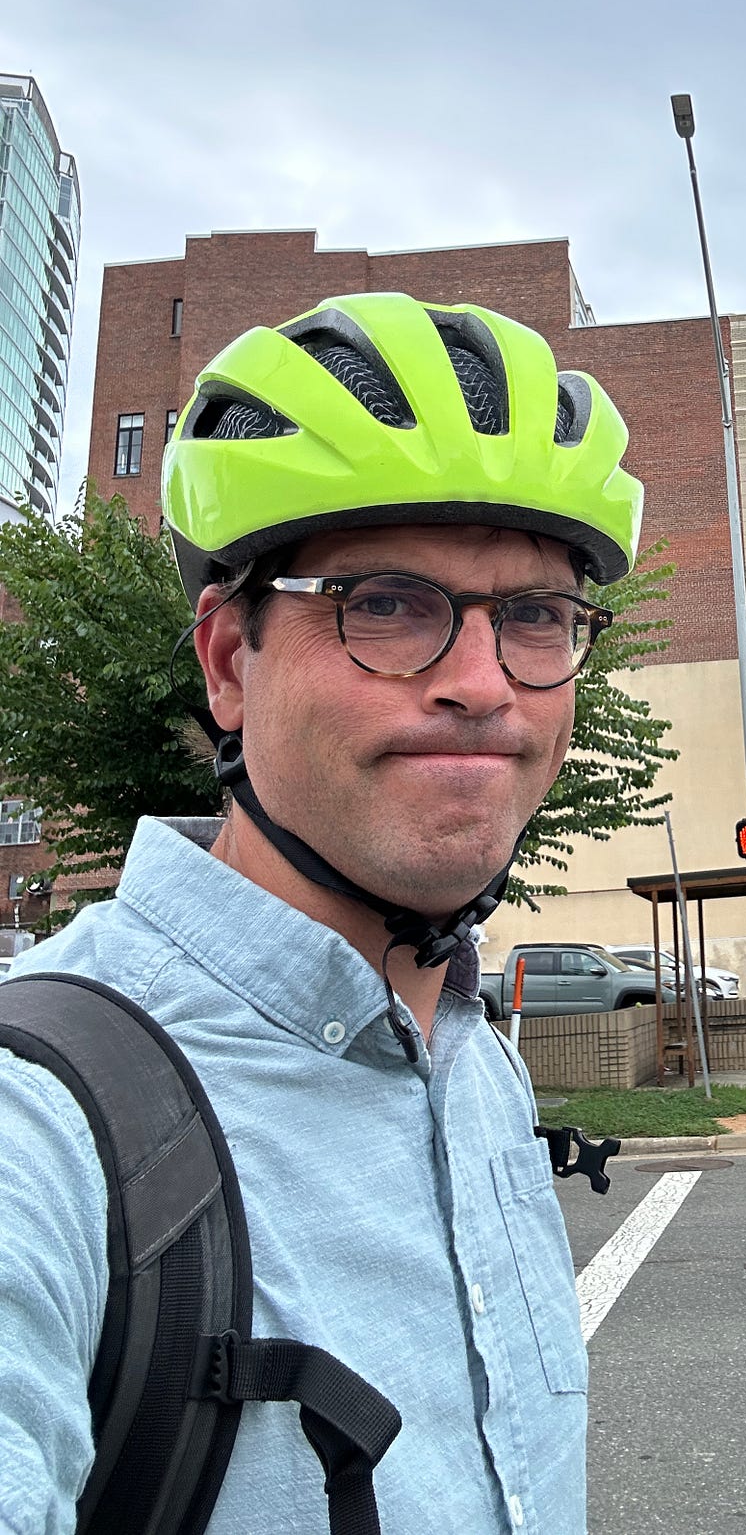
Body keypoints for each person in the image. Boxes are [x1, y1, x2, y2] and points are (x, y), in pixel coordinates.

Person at [0, 292, 643, 1535]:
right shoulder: (42, 1122)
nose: (479, 684)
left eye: (534, 617)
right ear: (230, 664)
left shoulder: (470, 1053)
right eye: (388, 604)